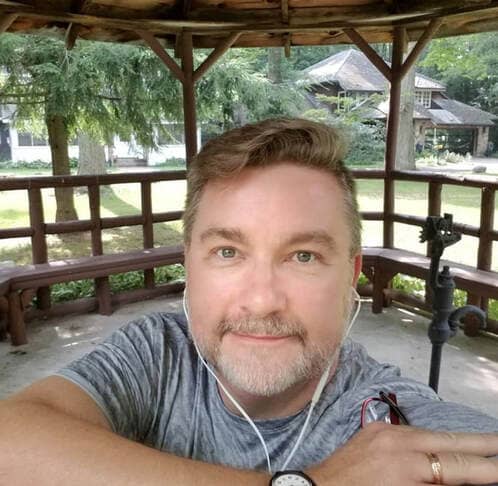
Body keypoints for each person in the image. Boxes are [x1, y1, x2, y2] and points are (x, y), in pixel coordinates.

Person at [1, 118, 497, 486]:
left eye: (303, 256)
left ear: (351, 274)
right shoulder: (161, 353)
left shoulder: (384, 411)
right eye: (227, 252)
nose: (261, 301)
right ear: (189, 264)